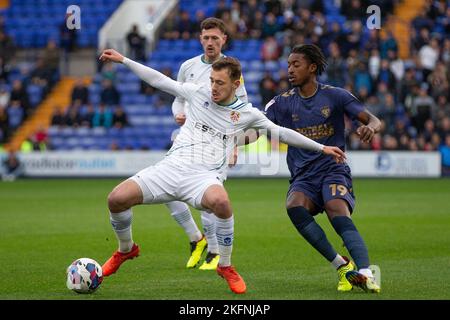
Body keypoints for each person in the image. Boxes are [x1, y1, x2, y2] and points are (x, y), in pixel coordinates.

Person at [98, 48, 345, 294]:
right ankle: (126, 249)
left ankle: (225, 265)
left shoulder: (248, 114)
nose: (213, 87)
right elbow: (160, 81)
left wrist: (322, 147)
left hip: (203, 177)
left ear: (236, 84)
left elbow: (281, 133)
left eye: (220, 83)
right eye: (212, 81)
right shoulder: (198, 94)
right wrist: (124, 60)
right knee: (116, 199)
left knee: (222, 203)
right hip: (170, 168)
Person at [264, 44, 381, 293]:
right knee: (294, 206)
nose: (290, 70)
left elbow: (373, 119)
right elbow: (254, 129)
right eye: (288, 65)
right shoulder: (280, 104)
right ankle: (342, 266)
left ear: (312, 67)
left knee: (336, 209)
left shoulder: (336, 96)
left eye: (296, 65)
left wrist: (371, 127)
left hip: (333, 169)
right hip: (303, 176)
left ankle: (366, 273)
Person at [168, 17, 248, 271]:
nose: (210, 42)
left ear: (224, 39)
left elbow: (241, 111)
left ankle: (214, 251)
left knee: (207, 197)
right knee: (168, 190)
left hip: (217, 142)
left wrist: (235, 146)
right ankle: (197, 239)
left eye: (215, 37)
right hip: (188, 139)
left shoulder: (231, 70)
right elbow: (178, 99)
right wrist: (177, 113)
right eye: (206, 37)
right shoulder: (188, 67)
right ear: (200, 39)